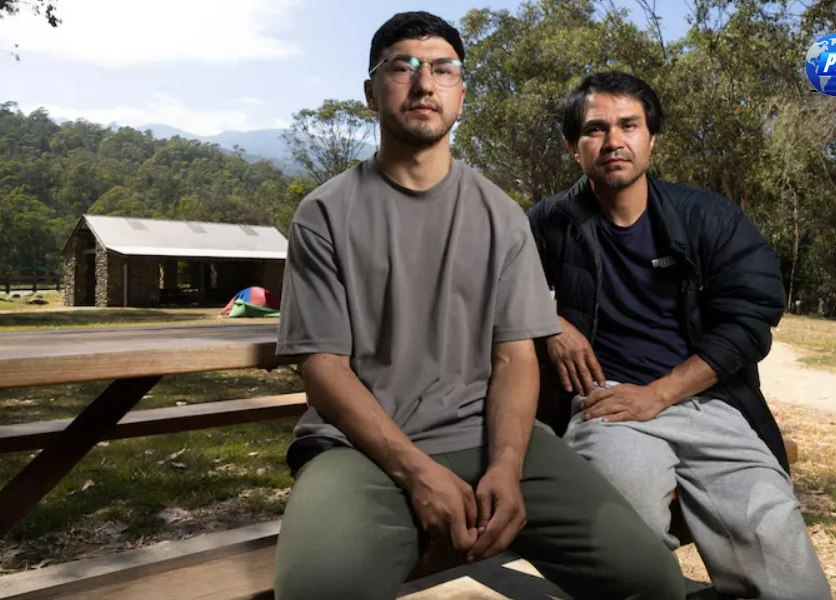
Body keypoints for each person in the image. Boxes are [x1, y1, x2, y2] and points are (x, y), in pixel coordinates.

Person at [271, 13, 684, 600]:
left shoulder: (501, 217)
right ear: (371, 92)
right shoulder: (325, 214)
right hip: (360, 451)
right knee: (316, 591)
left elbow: (516, 359)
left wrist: (508, 467)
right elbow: (323, 370)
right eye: (402, 67)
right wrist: (416, 472)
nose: (423, 85)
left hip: (491, 441)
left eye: (443, 70)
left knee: (651, 581)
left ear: (461, 93)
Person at [527, 70, 833, 600]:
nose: (614, 140)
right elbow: (494, 291)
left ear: (651, 138)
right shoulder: (551, 221)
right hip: (607, 405)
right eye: (596, 129)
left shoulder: (708, 217)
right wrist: (549, 321)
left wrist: (660, 395)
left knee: (772, 533)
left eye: (629, 124)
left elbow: (751, 317)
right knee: (624, 524)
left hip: (705, 402)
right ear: (574, 147)